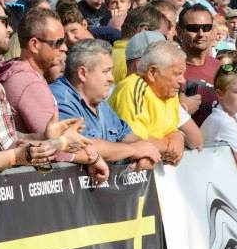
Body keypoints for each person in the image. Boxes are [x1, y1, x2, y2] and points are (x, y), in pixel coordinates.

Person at [51, 39, 161, 169]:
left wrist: (146, 152)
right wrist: (133, 150)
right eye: (105, 71)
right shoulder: (60, 99)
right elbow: (84, 146)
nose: (111, 78)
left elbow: (126, 134)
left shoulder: (99, 100)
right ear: (82, 73)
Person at [109, 40, 202, 165]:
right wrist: (170, 145)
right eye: (177, 74)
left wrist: (178, 136)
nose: (183, 81)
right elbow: (134, 141)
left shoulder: (168, 92)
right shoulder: (132, 89)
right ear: (152, 72)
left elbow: (186, 137)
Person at [0, 8, 68, 132]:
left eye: (64, 41)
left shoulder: (15, 71)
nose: (64, 48)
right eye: (58, 42)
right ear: (34, 45)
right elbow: (54, 141)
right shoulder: (30, 83)